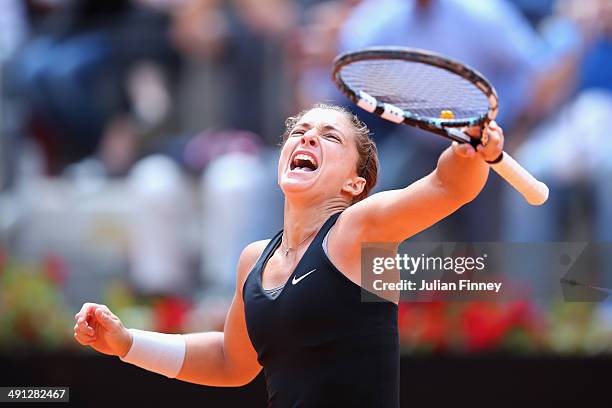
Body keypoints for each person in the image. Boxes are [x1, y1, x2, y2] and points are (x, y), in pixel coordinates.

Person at [73, 104, 504, 407]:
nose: (308, 136)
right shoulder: (255, 260)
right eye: (300, 132)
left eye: (330, 136)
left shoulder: (359, 231)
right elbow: (230, 361)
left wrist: (467, 151)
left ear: (354, 185)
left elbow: (449, 187)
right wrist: (128, 344)